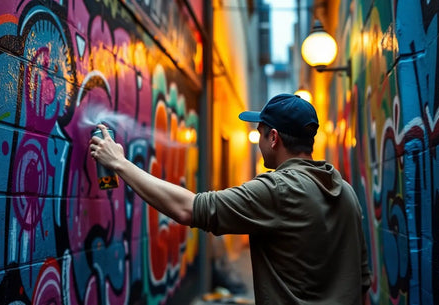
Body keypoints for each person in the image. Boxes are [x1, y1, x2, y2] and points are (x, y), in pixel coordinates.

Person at [89, 93, 371, 305]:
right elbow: (363, 281)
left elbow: (188, 208)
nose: (258, 143)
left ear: (273, 138)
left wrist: (120, 164)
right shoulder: (345, 191)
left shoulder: (278, 190)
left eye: (259, 134)